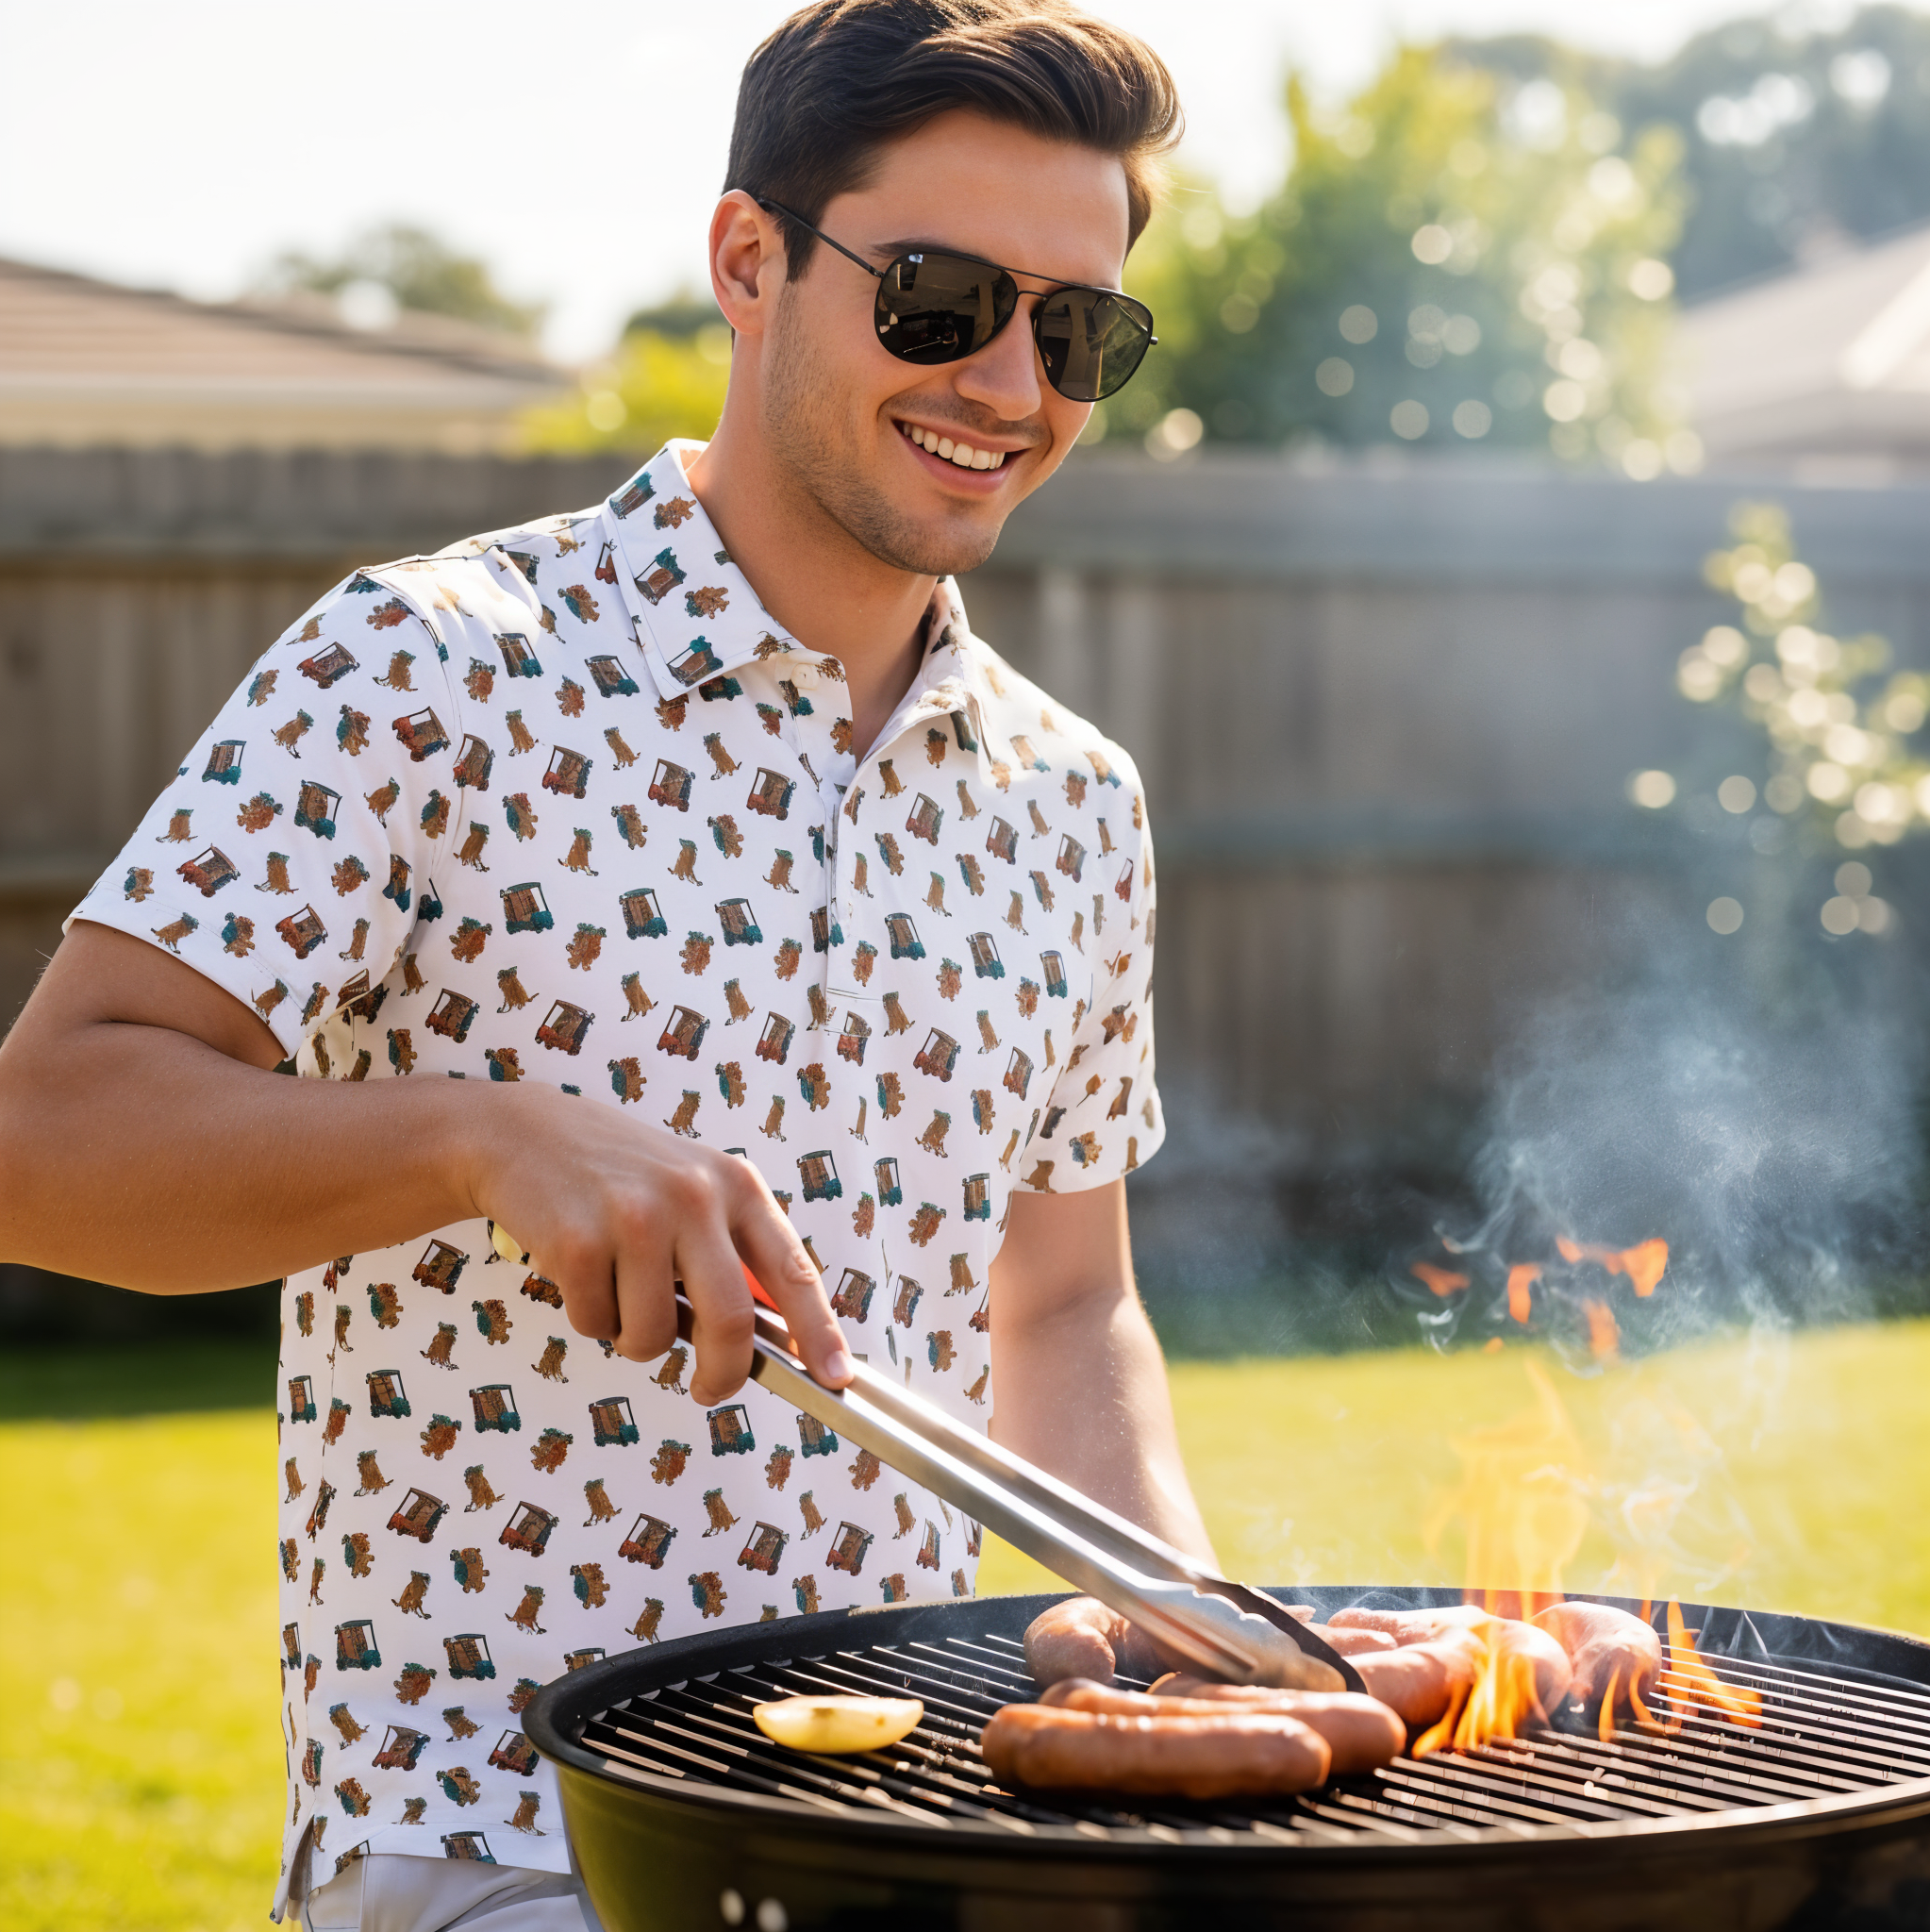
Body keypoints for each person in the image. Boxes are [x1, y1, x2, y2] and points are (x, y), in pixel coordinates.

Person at [0, 2, 1212, 1925]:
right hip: (501, 1838)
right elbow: (44, 1134)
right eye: (938, 296)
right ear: (749, 263)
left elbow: (1060, 1309)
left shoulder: (1074, 802)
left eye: (1076, 330)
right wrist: (482, 1140)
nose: (1007, 379)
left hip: (909, 1816)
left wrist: (1175, 1647)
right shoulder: (428, 663)